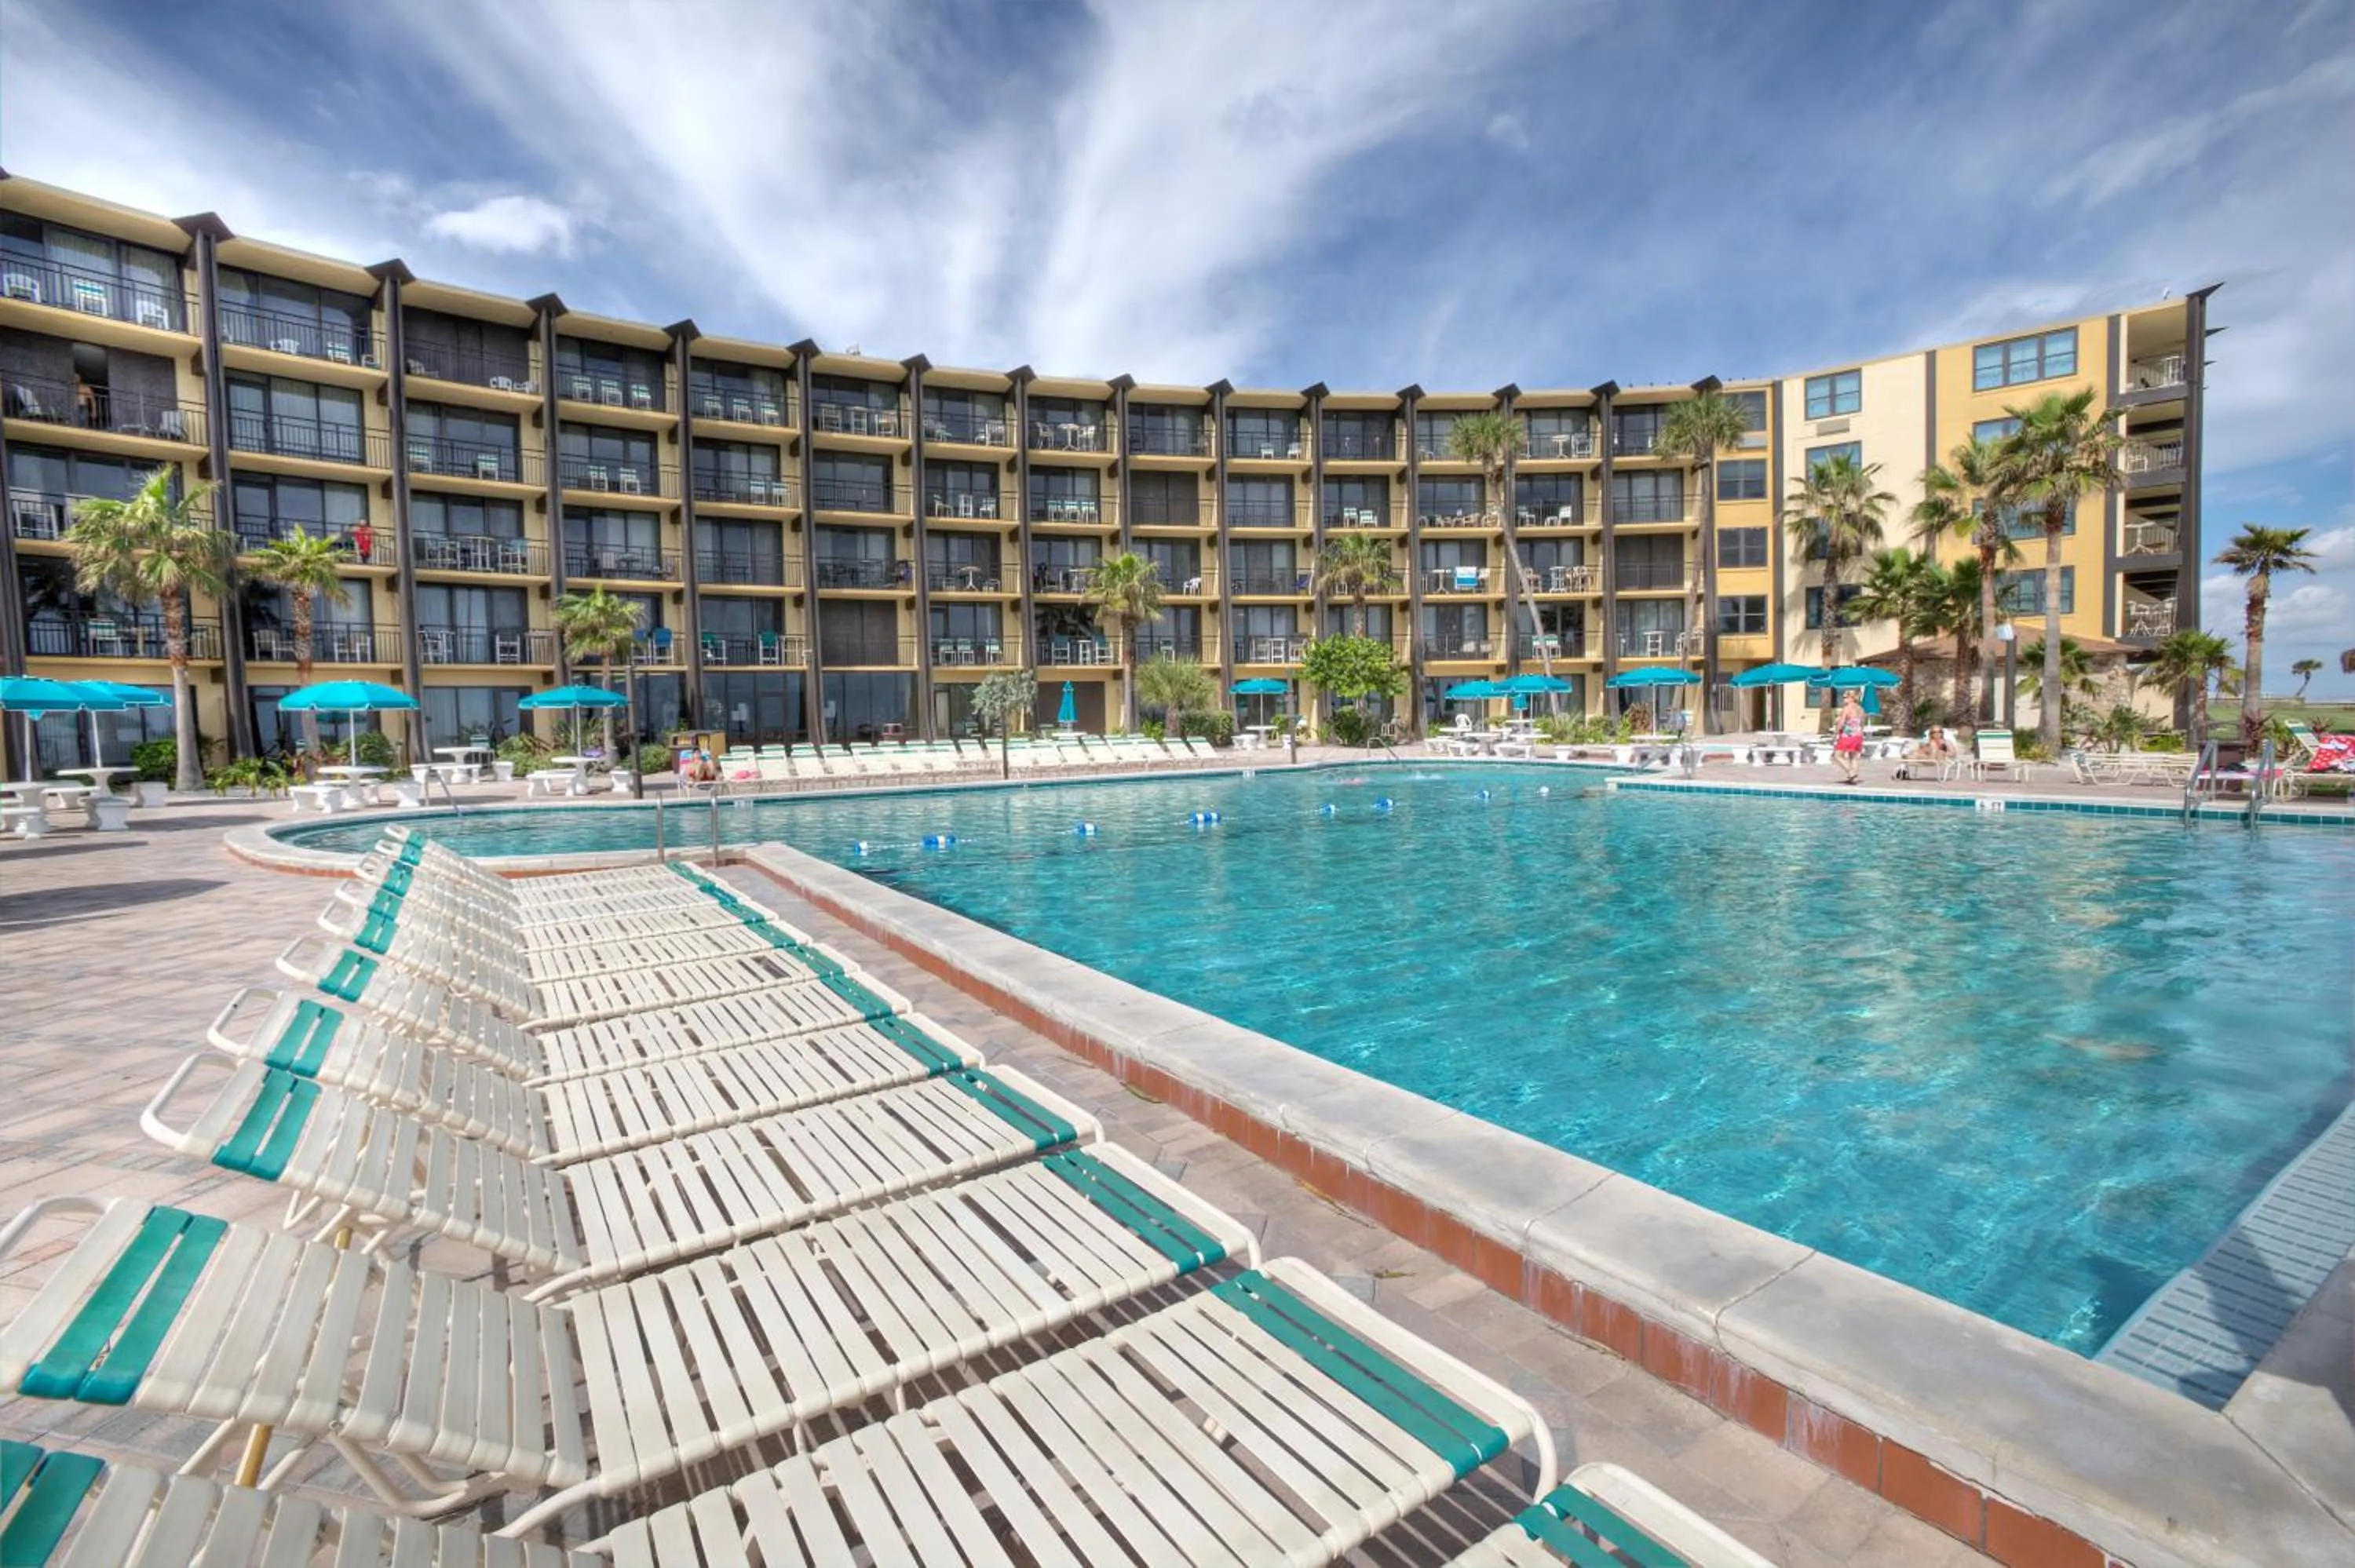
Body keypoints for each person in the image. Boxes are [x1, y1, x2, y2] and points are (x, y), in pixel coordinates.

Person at [1831, 691, 1867, 784]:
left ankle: (1851, 773)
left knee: (1837, 755)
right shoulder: (1861, 709)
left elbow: (1841, 722)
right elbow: (1862, 724)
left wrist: (1836, 733)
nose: (1844, 699)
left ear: (1851, 698)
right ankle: (1853, 779)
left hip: (1848, 736)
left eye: (1845, 697)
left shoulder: (1847, 708)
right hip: (1858, 736)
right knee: (1853, 758)